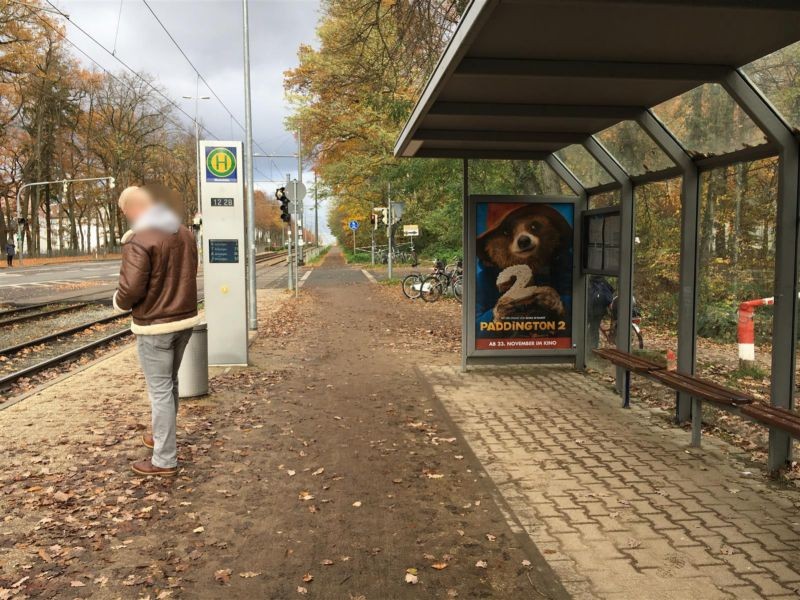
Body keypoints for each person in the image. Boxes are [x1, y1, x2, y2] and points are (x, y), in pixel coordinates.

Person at [113, 185, 199, 477]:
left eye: (126, 213)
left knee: (160, 391)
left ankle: (164, 459)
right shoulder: (184, 233)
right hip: (184, 322)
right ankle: (162, 438)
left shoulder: (140, 239)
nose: (127, 218)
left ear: (135, 208)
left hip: (155, 326)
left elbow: (131, 288)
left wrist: (118, 302)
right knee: (170, 384)